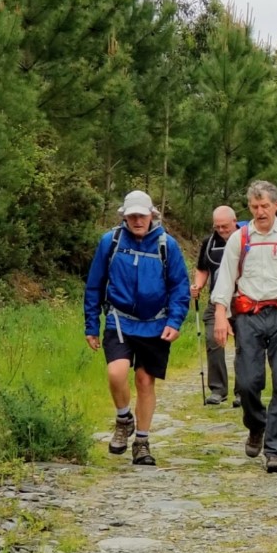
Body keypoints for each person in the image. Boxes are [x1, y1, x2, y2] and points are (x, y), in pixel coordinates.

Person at [211, 180, 277, 473]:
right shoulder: (239, 238)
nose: (260, 212)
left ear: (276, 206)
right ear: (249, 207)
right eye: (255, 206)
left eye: (265, 206)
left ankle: (275, 451)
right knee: (247, 383)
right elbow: (225, 278)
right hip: (248, 316)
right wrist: (220, 313)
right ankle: (256, 425)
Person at [83, 190, 190, 466]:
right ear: (125, 217)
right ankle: (123, 418)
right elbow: (95, 284)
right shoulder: (111, 242)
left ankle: (141, 443)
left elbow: (179, 287)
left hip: (155, 324)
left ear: (152, 215)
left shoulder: (167, 245)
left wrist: (174, 321)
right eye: (132, 216)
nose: (137, 221)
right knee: (116, 373)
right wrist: (91, 325)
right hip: (119, 320)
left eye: (141, 215)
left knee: (144, 381)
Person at [190, 205, 239, 406]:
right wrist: (198, 285)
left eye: (225, 226)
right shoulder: (209, 243)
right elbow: (202, 268)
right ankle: (218, 390)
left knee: (245, 346)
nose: (221, 230)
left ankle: (243, 391)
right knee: (213, 341)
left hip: (241, 302)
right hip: (215, 301)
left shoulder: (246, 240)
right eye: (217, 226)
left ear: (234, 221)